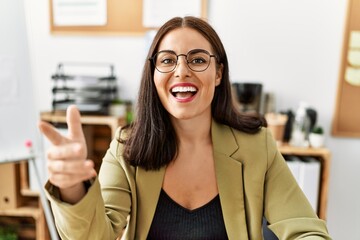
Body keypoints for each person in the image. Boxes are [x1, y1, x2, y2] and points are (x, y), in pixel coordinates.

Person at [39, 16, 331, 239]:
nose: (181, 70)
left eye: (198, 59)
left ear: (218, 73)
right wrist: (72, 187)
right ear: (153, 74)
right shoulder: (127, 147)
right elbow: (95, 236)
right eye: (167, 60)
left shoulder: (257, 145)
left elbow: (303, 227)